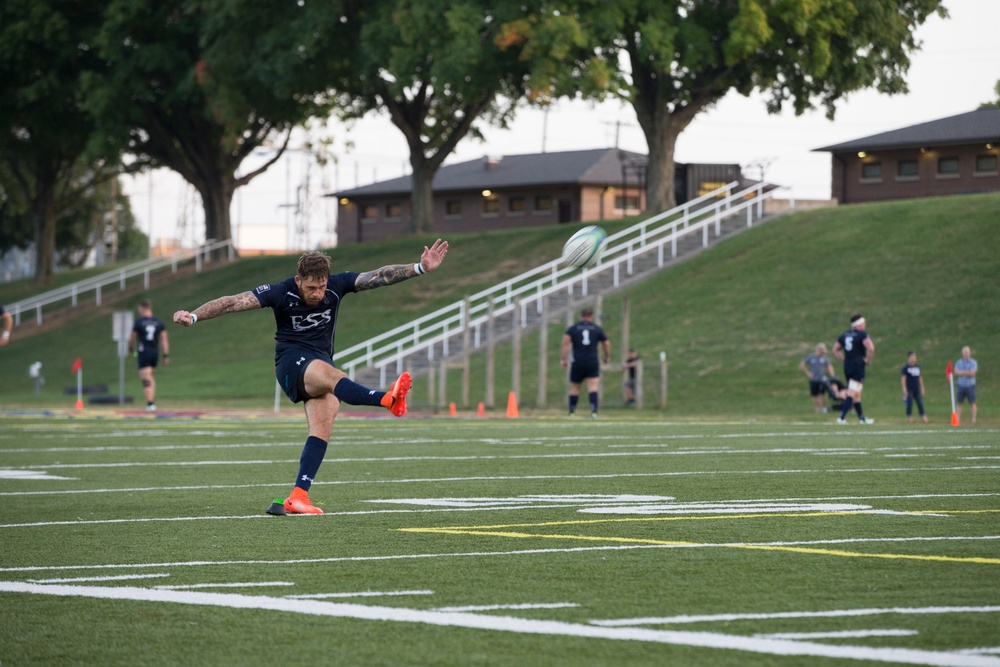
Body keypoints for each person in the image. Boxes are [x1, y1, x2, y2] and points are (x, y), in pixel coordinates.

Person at [172, 240, 449, 515]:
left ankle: (298, 495)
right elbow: (232, 303)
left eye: (322, 287)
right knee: (333, 375)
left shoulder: (337, 286)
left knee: (324, 421)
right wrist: (194, 316)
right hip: (291, 363)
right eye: (311, 288)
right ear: (298, 280)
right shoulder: (280, 292)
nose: (318, 293)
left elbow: (378, 276)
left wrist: (419, 268)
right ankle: (387, 399)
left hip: (319, 365)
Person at [560, 307, 610, 417]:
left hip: (577, 362)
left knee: (574, 388)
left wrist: (563, 359)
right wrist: (607, 356)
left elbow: (565, 343)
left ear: (581, 316)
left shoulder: (573, 328)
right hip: (592, 361)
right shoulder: (596, 328)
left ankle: (572, 412)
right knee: (593, 387)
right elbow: (606, 343)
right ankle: (594, 412)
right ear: (591, 316)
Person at [832, 313, 875, 424]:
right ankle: (841, 417)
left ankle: (862, 419)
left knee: (857, 394)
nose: (865, 325)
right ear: (859, 324)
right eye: (863, 323)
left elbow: (835, 349)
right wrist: (868, 361)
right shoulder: (862, 335)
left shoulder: (845, 335)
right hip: (857, 364)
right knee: (852, 392)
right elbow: (871, 349)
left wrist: (844, 360)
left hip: (848, 365)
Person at [128, 300, 170, 411]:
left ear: (142, 308)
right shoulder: (159, 322)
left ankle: (150, 403)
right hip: (154, 353)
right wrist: (165, 355)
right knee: (150, 377)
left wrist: (131, 349)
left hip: (143, 353)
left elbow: (132, 338)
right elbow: (164, 340)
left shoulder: (139, 322)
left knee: (146, 379)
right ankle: (151, 402)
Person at [800, 343, 836, 413]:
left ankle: (823, 408)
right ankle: (816, 409)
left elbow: (829, 367)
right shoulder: (811, 357)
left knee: (822, 394)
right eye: (822, 351)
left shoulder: (825, 358)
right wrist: (808, 373)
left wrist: (832, 375)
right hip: (813, 379)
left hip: (822, 379)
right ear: (818, 350)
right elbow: (802, 364)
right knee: (815, 395)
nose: (823, 352)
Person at [901, 351, 928, 424]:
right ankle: (909, 417)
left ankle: (923, 416)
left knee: (920, 402)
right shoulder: (906, 368)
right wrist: (904, 389)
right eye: (912, 357)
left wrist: (922, 387)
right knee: (910, 403)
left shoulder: (917, 367)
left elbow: (920, 378)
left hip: (917, 388)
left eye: (914, 357)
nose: (913, 359)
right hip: (909, 388)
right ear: (908, 358)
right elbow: (903, 379)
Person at [954, 345, 977, 425]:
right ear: (962, 353)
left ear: (969, 353)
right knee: (959, 403)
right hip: (961, 385)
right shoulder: (959, 362)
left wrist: (962, 372)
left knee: (972, 403)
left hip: (970, 385)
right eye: (965, 352)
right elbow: (956, 372)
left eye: (967, 352)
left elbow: (973, 373)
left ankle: (973, 419)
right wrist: (966, 372)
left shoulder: (973, 362)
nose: (966, 354)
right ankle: (957, 419)